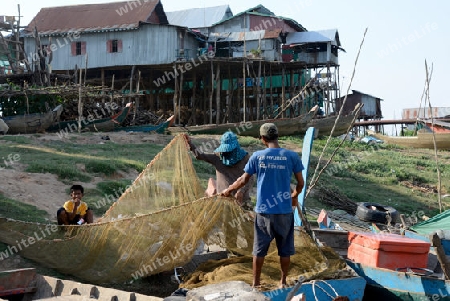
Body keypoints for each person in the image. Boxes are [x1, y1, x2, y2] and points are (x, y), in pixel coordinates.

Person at [220, 123, 304, 288]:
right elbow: (301, 183)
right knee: (285, 250)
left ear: (263, 139)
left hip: (264, 212)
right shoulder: (292, 156)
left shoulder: (258, 156)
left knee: (259, 250)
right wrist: (294, 196)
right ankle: (283, 281)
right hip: (284, 212)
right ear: (277, 136)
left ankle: (256, 283)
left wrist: (228, 190)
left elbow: (243, 180)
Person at [185, 131, 253, 209]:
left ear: (236, 147)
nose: (227, 153)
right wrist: (190, 144)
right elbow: (200, 155)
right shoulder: (218, 157)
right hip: (223, 200)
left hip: (242, 200)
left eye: (229, 150)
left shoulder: (245, 158)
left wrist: (241, 190)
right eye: (225, 150)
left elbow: (250, 177)